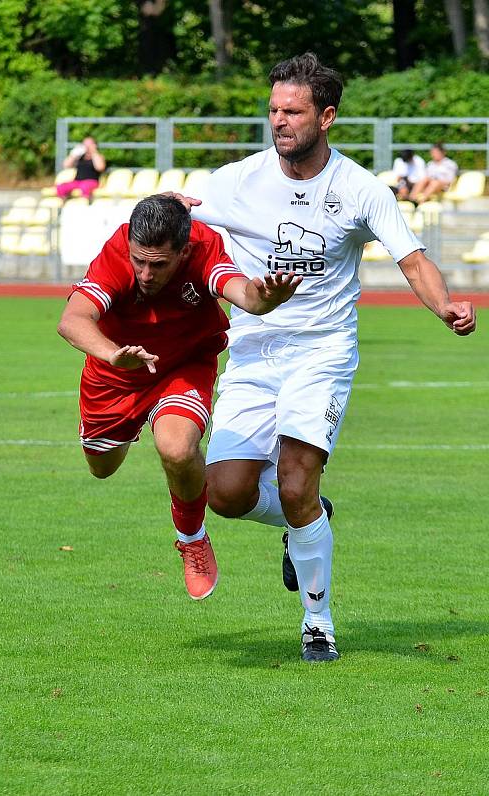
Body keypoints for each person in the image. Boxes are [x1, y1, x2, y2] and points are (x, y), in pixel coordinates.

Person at [173, 53, 476, 662]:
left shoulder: (361, 189)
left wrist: (444, 306)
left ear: (327, 117)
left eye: (293, 111)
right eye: (274, 110)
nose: (279, 121)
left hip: (322, 350)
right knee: (225, 493)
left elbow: (411, 258)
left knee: (294, 479)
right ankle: (306, 518)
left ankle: (319, 624)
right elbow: (185, 225)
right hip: (253, 347)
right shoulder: (237, 180)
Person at [57, 194, 301, 602]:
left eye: (159, 264)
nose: (146, 273)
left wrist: (264, 299)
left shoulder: (202, 247)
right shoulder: (119, 251)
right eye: (140, 261)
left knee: (176, 446)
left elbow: (241, 292)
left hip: (182, 362)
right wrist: (114, 354)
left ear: (183, 249)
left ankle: (192, 539)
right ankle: (127, 428)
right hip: (116, 369)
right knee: (102, 468)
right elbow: (72, 320)